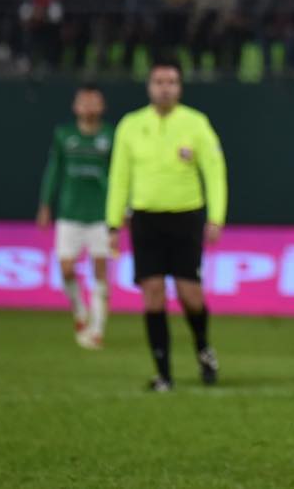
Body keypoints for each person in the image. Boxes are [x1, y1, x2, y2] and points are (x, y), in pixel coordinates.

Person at [106, 59, 228, 392]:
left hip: (186, 216)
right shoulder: (130, 125)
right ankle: (164, 373)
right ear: (149, 86)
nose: (165, 87)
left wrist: (216, 216)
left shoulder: (195, 123)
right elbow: (119, 177)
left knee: (191, 295)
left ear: (180, 86)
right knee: (153, 294)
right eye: (159, 81)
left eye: (171, 81)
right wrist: (113, 222)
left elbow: (215, 172)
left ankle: (203, 347)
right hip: (145, 218)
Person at [36, 84, 114, 348]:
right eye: (84, 102)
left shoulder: (111, 135)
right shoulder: (64, 134)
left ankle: (97, 329)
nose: (89, 106)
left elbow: (120, 175)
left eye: (95, 101)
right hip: (70, 213)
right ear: (76, 106)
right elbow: (54, 169)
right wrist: (45, 204)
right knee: (67, 269)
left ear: (102, 107)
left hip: (100, 214)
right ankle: (80, 310)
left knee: (100, 270)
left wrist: (122, 209)